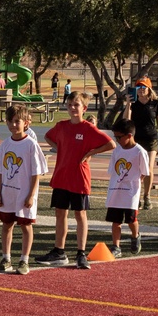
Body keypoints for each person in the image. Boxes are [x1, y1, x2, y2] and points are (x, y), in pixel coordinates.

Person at [36, 91, 115, 270]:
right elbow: (48, 136)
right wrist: (59, 147)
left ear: (84, 108)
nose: (72, 108)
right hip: (61, 176)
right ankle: (59, 251)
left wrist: (89, 153)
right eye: (70, 104)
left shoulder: (88, 128)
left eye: (76, 105)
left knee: (80, 215)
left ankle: (81, 253)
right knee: (60, 213)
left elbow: (111, 144)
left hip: (79, 178)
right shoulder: (61, 126)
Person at [0, 104, 45, 276]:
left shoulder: (31, 145)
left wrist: (31, 195)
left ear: (25, 123)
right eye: (10, 122)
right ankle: (6, 258)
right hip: (8, 193)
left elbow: (36, 172)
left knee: (25, 226)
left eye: (17, 121)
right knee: (7, 224)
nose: (13, 125)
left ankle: (24, 260)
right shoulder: (5, 144)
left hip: (24, 194)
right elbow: (0, 171)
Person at [105, 119, 149, 258]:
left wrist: (133, 185)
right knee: (116, 221)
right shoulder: (117, 150)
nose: (117, 140)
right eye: (115, 137)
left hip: (130, 192)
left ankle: (135, 235)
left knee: (131, 220)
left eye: (119, 137)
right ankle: (116, 246)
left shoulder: (139, 152)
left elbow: (144, 172)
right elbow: (113, 171)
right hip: (116, 191)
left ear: (129, 135)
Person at [123, 77, 158, 209]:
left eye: (144, 87)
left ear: (149, 89)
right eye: (139, 87)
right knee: (136, 169)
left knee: (148, 168)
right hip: (136, 140)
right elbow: (126, 120)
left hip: (151, 139)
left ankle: (147, 195)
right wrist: (128, 104)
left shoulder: (155, 104)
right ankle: (135, 195)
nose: (141, 89)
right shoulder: (134, 103)